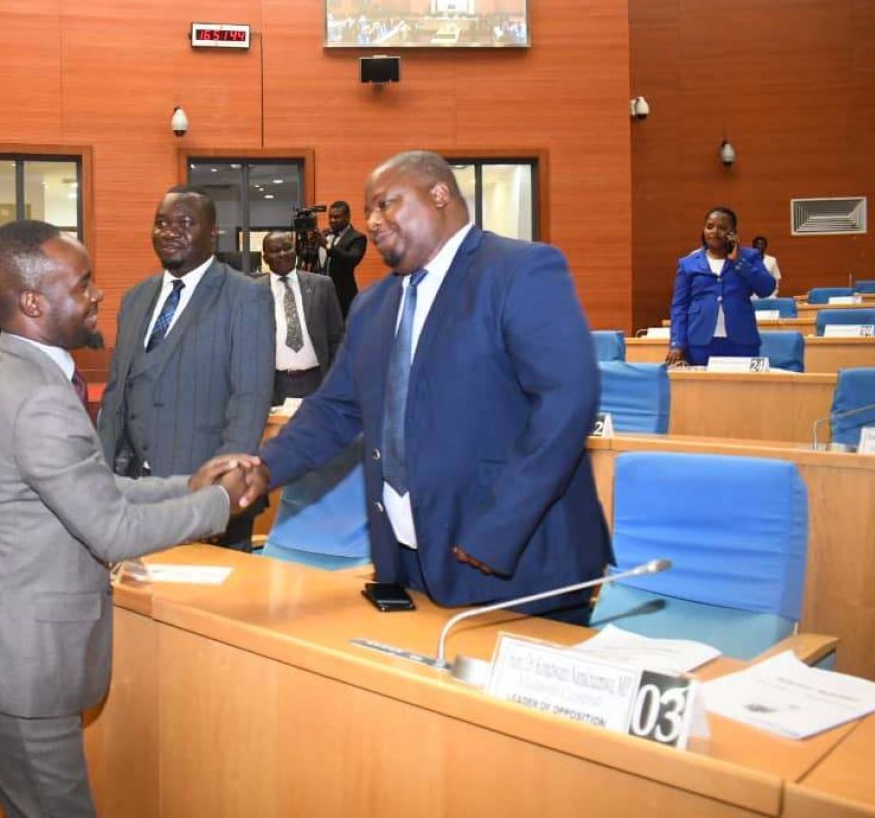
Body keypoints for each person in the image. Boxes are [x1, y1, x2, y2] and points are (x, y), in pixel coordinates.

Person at [0, 220, 251, 818]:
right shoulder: (39, 396)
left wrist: (187, 484)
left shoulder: (24, 375)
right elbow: (112, 530)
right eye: (83, 283)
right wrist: (221, 504)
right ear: (32, 302)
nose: (98, 294)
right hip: (19, 669)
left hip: (8, 658)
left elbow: (93, 488)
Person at [228, 150, 612, 620]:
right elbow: (333, 410)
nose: (371, 221)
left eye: (386, 204)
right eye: (368, 210)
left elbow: (565, 405)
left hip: (517, 564)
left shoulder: (520, 271)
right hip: (409, 565)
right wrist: (264, 470)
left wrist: (497, 528)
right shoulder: (372, 305)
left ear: (439, 194)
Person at [96, 185, 275, 551]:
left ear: (213, 234)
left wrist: (221, 495)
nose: (170, 231)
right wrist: (101, 478)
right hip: (133, 499)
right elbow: (117, 395)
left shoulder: (245, 296)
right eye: (161, 223)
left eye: (185, 223)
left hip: (203, 495)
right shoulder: (135, 298)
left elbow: (249, 401)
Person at [666, 207, 776, 366]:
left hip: (742, 341)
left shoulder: (749, 257)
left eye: (722, 228)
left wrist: (738, 261)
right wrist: (677, 343)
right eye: (710, 226)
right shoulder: (688, 263)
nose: (714, 231)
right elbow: (679, 306)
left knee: (743, 389)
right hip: (699, 341)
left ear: (733, 233)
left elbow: (767, 289)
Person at [260, 231, 345, 405]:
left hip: (317, 381)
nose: (282, 254)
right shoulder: (252, 291)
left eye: (287, 248)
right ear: (265, 257)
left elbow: (338, 337)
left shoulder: (322, 285)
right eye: (275, 251)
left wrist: (335, 380)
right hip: (273, 386)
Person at [322, 200, 367, 317]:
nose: (332, 220)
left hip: (343, 294)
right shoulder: (325, 234)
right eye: (330, 217)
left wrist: (327, 246)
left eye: (336, 217)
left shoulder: (357, 237)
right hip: (322, 293)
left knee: (343, 331)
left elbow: (352, 259)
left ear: (347, 217)